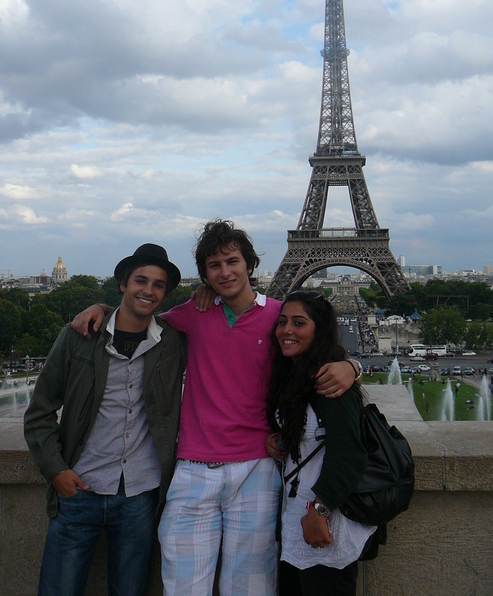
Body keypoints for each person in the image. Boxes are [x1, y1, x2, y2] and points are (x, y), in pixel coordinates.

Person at [71, 219, 360, 596]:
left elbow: (319, 352)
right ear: (205, 275)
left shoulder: (279, 318)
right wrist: (102, 306)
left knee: (250, 586)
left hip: (256, 466)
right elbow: (141, 319)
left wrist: (350, 366)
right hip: (193, 468)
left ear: (249, 265)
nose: (225, 272)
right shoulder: (194, 312)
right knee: (185, 587)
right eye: (214, 265)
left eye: (232, 261)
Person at [24, 243, 186, 596]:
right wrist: (56, 469)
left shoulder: (173, 342)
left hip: (140, 495)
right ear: (122, 285)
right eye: (140, 281)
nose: (149, 290)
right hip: (79, 488)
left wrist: (340, 364)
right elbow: (39, 411)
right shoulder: (77, 336)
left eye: (158, 285)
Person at [266, 291, 376, 596]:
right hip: (295, 522)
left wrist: (319, 509)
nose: (287, 330)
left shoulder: (330, 379)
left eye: (299, 323)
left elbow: (349, 455)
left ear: (319, 330)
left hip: (323, 522)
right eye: (282, 322)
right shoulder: (296, 375)